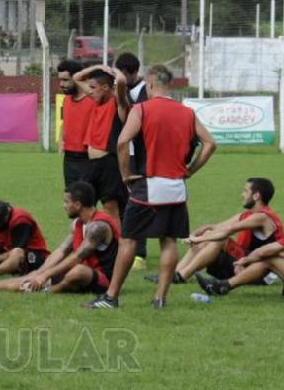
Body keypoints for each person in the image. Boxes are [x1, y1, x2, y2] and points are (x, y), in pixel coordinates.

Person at [83, 64, 217, 309]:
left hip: (148, 184)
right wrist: (190, 171)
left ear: (151, 84)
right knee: (168, 242)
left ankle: (111, 297)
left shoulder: (142, 109)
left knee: (128, 241)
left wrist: (125, 174)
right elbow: (210, 144)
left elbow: (123, 142)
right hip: (176, 187)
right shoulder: (187, 113)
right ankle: (160, 298)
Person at [0, 182, 120, 296]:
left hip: (102, 279)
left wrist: (46, 274)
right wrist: (41, 272)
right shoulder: (78, 223)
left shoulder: (98, 226)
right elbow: (61, 250)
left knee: (76, 271)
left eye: (66, 202)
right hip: (78, 270)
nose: (63, 206)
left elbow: (77, 257)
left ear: (77, 205)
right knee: (36, 275)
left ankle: (52, 289)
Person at [145, 177, 283, 284]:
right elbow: (216, 227)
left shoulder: (262, 217)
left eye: (246, 191)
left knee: (218, 239)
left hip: (259, 271)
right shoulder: (248, 215)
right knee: (210, 235)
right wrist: (196, 234)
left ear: (256, 196)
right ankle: (173, 274)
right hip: (244, 262)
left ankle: (182, 275)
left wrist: (199, 239)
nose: (242, 194)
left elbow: (229, 230)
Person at [71, 63, 131, 221]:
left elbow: (122, 81)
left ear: (105, 87)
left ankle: (116, 244)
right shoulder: (96, 100)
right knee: (80, 205)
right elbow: (76, 78)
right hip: (90, 163)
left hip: (108, 163)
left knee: (110, 208)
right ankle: (88, 240)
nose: (90, 91)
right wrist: (96, 67)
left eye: (93, 87)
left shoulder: (117, 104)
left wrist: (113, 71)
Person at [114, 52, 149, 271]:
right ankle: (128, 247)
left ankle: (140, 254)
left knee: (139, 203)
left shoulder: (146, 92)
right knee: (126, 200)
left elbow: (136, 117)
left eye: (122, 75)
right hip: (129, 152)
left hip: (143, 154)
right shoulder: (124, 89)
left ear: (132, 73)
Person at [57, 59, 96, 187]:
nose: (61, 84)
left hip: (87, 159)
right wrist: (61, 140)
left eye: (66, 80)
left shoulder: (93, 101)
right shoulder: (66, 100)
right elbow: (65, 121)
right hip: (68, 158)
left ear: (78, 78)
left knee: (85, 201)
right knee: (71, 200)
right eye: (60, 80)